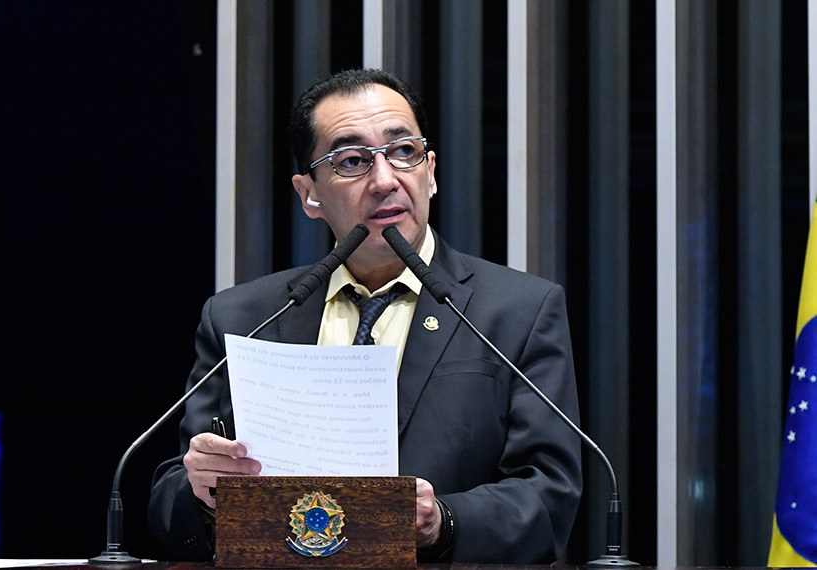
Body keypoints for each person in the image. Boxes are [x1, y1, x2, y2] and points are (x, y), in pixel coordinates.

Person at [148, 68, 582, 563]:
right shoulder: (244, 318)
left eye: (404, 152)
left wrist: (443, 521)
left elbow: (550, 495)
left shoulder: (517, 311)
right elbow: (170, 499)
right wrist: (205, 492)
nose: (384, 180)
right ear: (309, 194)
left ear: (430, 172)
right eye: (352, 161)